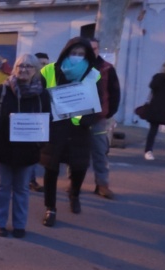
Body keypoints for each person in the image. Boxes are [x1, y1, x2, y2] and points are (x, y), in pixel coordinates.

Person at [0, 54, 51, 238]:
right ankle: (0, 223)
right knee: (2, 187)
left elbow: (48, 120)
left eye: (28, 66)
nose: (23, 69)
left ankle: (20, 225)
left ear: (35, 70)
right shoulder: (0, 91)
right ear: (14, 68)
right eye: (20, 66)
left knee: (22, 189)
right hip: (3, 148)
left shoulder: (42, 95)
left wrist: (40, 141)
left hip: (28, 151)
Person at [38, 37, 102, 227]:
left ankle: (74, 194)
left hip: (79, 129)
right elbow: (40, 96)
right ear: (66, 52)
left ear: (87, 56)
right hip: (54, 127)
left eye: (81, 54)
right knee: (51, 168)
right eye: (73, 53)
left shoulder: (93, 75)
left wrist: (87, 120)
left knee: (79, 167)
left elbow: (98, 103)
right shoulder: (49, 70)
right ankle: (50, 207)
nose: (76, 57)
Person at [87, 38, 121, 199]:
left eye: (94, 48)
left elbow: (115, 92)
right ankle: (74, 182)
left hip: (98, 119)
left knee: (100, 152)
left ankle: (102, 184)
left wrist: (108, 113)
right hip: (76, 118)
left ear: (98, 49)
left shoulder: (107, 68)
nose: (92, 51)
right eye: (89, 48)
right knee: (74, 152)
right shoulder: (75, 68)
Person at [27, 52, 51, 193]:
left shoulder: (49, 81)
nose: (44, 67)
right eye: (41, 64)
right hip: (27, 124)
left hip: (40, 124)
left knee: (37, 155)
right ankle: (29, 180)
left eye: (46, 64)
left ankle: (31, 179)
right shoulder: (26, 81)